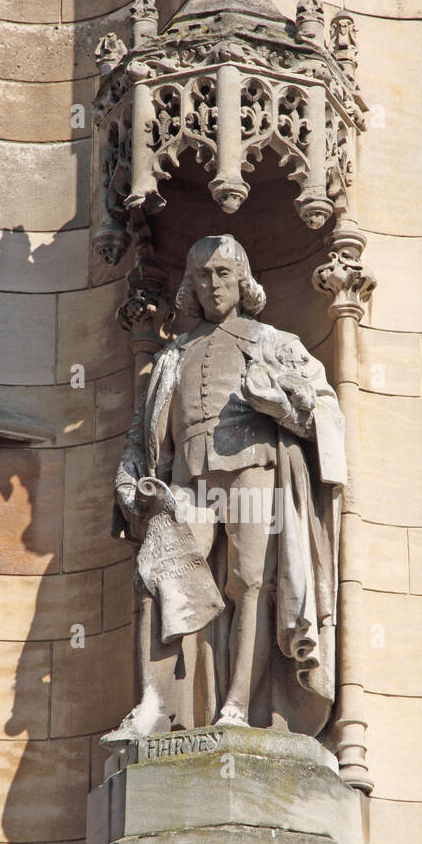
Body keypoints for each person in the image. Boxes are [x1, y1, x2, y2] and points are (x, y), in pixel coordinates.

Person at [107, 234, 346, 740]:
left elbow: (325, 410)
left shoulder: (272, 342)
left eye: (222, 273)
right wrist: (129, 481)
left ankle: (237, 704)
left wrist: (282, 407)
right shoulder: (173, 355)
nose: (213, 284)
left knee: (250, 583)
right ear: (190, 286)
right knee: (158, 575)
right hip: (186, 479)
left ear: (241, 280)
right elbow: (140, 431)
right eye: (202, 275)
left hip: (252, 469)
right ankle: (155, 706)